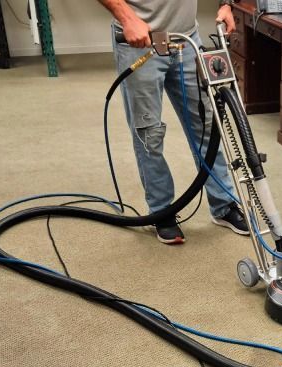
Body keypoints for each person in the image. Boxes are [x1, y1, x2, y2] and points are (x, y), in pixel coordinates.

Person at [97, 0, 248, 245]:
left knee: (207, 126)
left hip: (187, 40)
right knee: (149, 134)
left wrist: (227, 4)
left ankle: (223, 204)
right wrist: (126, 18)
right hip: (140, 41)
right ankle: (162, 210)